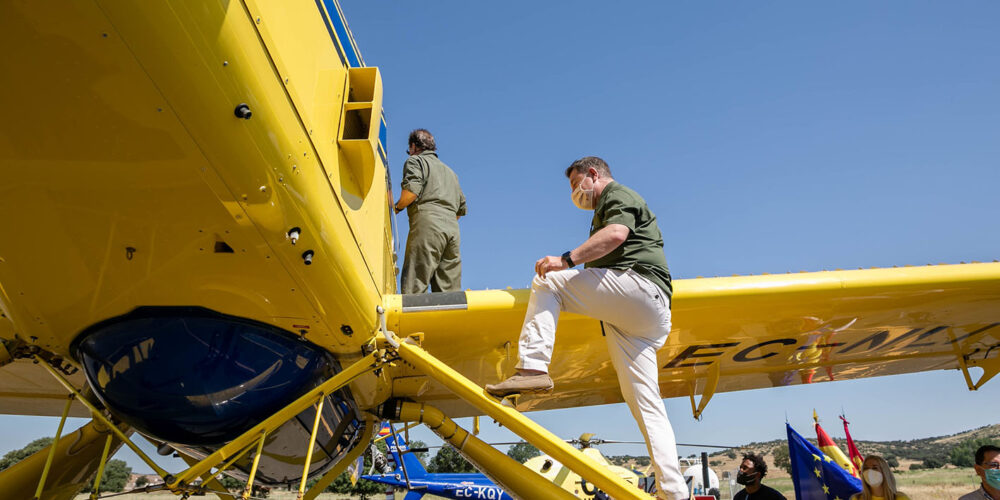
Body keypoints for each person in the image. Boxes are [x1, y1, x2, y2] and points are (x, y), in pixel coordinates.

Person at [484, 156, 685, 500]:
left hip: (639, 287)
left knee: (549, 281)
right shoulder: (601, 212)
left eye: (576, 183)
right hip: (639, 316)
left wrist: (564, 260)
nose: (575, 193)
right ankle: (674, 492)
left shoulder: (616, 195)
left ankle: (532, 368)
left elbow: (618, 234)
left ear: (593, 174)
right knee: (645, 403)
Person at [394, 129, 467, 294]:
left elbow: (411, 192)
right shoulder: (451, 173)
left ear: (413, 146)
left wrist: (396, 208)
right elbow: (460, 210)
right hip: (452, 231)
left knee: (415, 285)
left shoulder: (415, 161)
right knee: (449, 294)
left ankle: (413, 321)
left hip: (428, 225)